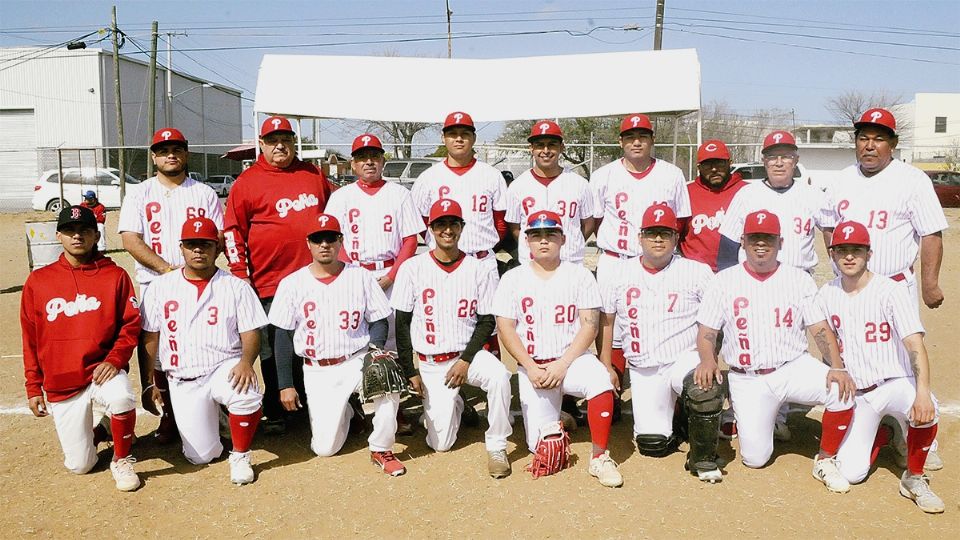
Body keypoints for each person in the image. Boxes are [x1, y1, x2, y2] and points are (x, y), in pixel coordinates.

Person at [694, 209, 856, 490]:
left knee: (841, 392)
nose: (760, 244)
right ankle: (750, 420)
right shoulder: (723, 280)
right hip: (748, 378)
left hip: (791, 366)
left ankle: (826, 459)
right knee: (755, 459)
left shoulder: (799, 279)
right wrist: (707, 360)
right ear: (742, 241)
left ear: (780, 242)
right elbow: (707, 333)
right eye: (754, 237)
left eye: (767, 238)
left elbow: (819, 329)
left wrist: (837, 366)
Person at [826, 107, 948, 470]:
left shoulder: (911, 180)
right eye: (863, 137)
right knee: (855, 361)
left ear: (892, 144)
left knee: (904, 362)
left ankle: (920, 432)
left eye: (879, 138)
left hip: (894, 284)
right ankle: (868, 423)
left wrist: (929, 282)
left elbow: (931, 233)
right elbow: (828, 226)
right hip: (851, 289)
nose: (870, 145)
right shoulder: (843, 178)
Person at [716, 130, 836, 441]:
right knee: (756, 347)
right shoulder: (747, 194)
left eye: (785, 155)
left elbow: (832, 233)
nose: (779, 161)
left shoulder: (812, 195)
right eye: (772, 156)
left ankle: (779, 415)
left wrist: (839, 271)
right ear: (764, 160)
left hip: (798, 281)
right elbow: (729, 244)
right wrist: (730, 285)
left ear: (796, 159)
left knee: (791, 350)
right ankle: (756, 412)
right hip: (753, 282)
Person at [268, 214, 406, 476]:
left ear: (340, 241)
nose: (324, 244)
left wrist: (375, 351)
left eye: (330, 238)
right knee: (325, 448)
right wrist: (286, 384)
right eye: (318, 239)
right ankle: (351, 412)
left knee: (386, 377)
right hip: (318, 368)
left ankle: (381, 448)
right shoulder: (292, 284)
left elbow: (379, 321)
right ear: (308, 243)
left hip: (355, 358)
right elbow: (282, 337)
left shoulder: (361, 277)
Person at [492, 210, 622, 488]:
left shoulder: (580, 275)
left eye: (550, 234)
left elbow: (590, 326)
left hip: (572, 361)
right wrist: (529, 366)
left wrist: (563, 364)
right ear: (526, 241)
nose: (543, 241)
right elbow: (505, 328)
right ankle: (561, 416)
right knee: (540, 448)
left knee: (600, 379)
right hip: (534, 367)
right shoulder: (512, 278)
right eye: (536, 235)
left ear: (563, 239)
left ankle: (599, 457)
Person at [819, 221, 942, 513]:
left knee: (928, 408)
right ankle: (884, 432)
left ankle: (913, 477)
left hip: (895, 382)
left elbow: (915, 345)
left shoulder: (891, 290)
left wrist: (922, 392)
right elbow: (825, 343)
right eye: (843, 250)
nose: (849, 257)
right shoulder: (826, 293)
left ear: (869, 254)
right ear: (833, 254)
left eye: (857, 250)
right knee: (852, 473)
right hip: (860, 394)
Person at [223, 115, 333, 435]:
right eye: (272, 140)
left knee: (314, 339)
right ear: (261, 144)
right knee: (273, 346)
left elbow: (336, 210)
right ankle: (277, 408)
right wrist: (240, 273)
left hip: (315, 277)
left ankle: (313, 402)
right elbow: (232, 231)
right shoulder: (248, 182)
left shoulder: (312, 174)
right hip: (269, 280)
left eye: (286, 139)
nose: (280, 145)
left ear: (294, 142)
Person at [21, 205, 141, 491]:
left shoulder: (115, 276)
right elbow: (30, 338)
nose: (77, 237)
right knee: (80, 465)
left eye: (85, 231)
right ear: (59, 235)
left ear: (96, 235)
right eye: (70, 231)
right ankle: (103, 430)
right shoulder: (39, 281)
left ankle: (121, 459)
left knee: (121, 396)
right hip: (63, 381)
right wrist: (33, 387)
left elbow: (131, 325)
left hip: (102, 370)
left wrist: (115, 359)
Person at [140, 217, 268, 485]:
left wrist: (246, 361)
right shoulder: (161, 287)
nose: (198, 250)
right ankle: (219, 423)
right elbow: (150, 336)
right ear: (182, 248)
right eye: (192, 244)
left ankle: (241, 455)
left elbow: (251, 332)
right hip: (183, 378)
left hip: (224, 365)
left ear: (217, 249)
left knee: (248, 392)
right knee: (201, 455)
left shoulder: (235, 286)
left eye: (206, 244)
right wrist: (148, 380)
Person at [600, 203, 722, 482]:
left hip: (684, 357)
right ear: (639, 237)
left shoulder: (696, 271)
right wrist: (606, 363)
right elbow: (606, 321)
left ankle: (703, 457)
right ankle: (679, 417)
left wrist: (709, 358)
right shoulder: (618, 273)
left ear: (676, 238)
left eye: (665, 233)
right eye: (652, 233)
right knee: (652, 445)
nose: (658, 239)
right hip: (645, 367)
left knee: (703, 387)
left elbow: (713, 320)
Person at [391, 199, 513, 478]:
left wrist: (466, 360)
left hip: (467, 355)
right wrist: (410, 371)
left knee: (499, 376)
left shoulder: (478, 267)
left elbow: (485, 321)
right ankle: (456, 403)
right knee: (441, 443)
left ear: (461, 227)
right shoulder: (413, 268)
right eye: (440, 224)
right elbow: (402, 324)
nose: (447, 229)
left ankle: (496, 445)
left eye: (453, 223)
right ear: (431, 229)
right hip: (433, 363)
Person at [118, 127, 224, 444]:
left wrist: (194, 269)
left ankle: (212, 409)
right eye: (163, 150)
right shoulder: (139, 193)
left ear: (186, 153)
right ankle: (168, 415)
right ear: (154, 156)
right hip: (156, 281)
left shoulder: (203, 192)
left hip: (199, 281)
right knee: (159, 348)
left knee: (205, 341)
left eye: (176, 148)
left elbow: (218, 236)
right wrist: (167, 268)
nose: (170, 154)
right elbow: (129, 239)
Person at [590, 113, 691, 402]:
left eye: (643, 136)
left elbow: (680, 222)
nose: (637, 142)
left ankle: (663, 392)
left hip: (655, 261)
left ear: (652, 140)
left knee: (654, 321)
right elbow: (596, 221)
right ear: (620, 141)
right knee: (609, 325)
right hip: (615, 257)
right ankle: (610, 390)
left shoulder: (671, 174)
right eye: (630, 137)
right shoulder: (604, 175)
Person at [324, 133, 424, 350]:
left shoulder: (399, 194)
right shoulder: (341, 196)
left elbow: (410, 241)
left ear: (382, 161)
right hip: (353, 272)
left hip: (391, 273)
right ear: (353, 164)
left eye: (374, 156)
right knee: (355, 332)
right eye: (362, 157)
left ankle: (395, 381)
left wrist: (391, 276)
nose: (368, 161)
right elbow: (333, 240)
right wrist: (352, 274)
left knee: (393, 337)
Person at [411, 111, 508, 277]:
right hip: (440, 263)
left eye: (465, 134)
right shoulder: (428, 178)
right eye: (452, 134)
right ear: (443, 138)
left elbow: (501, 222)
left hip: (482, 261)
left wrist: (484, 246)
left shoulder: (491, 175)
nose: (459, 139)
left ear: (474, 138)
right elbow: (420, 223)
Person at [504, 120, 596, 264]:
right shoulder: (517, 186)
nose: (546, 151)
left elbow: (588, 224)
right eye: (540, 145)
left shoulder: (580, 184)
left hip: (570, 262)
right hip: (531, 264)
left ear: (562, 147)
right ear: (531, 148)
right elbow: (515, 228)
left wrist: (571, 243)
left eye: (552, 145)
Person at [678, 140, 746, 272]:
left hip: (736, 271)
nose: (714, 169)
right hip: (694, 272)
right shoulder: (686, 192)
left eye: (719, 163)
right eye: (707, 164)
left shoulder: (746, 191)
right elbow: (676, 234)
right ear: (699, 168)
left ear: (729, 163)